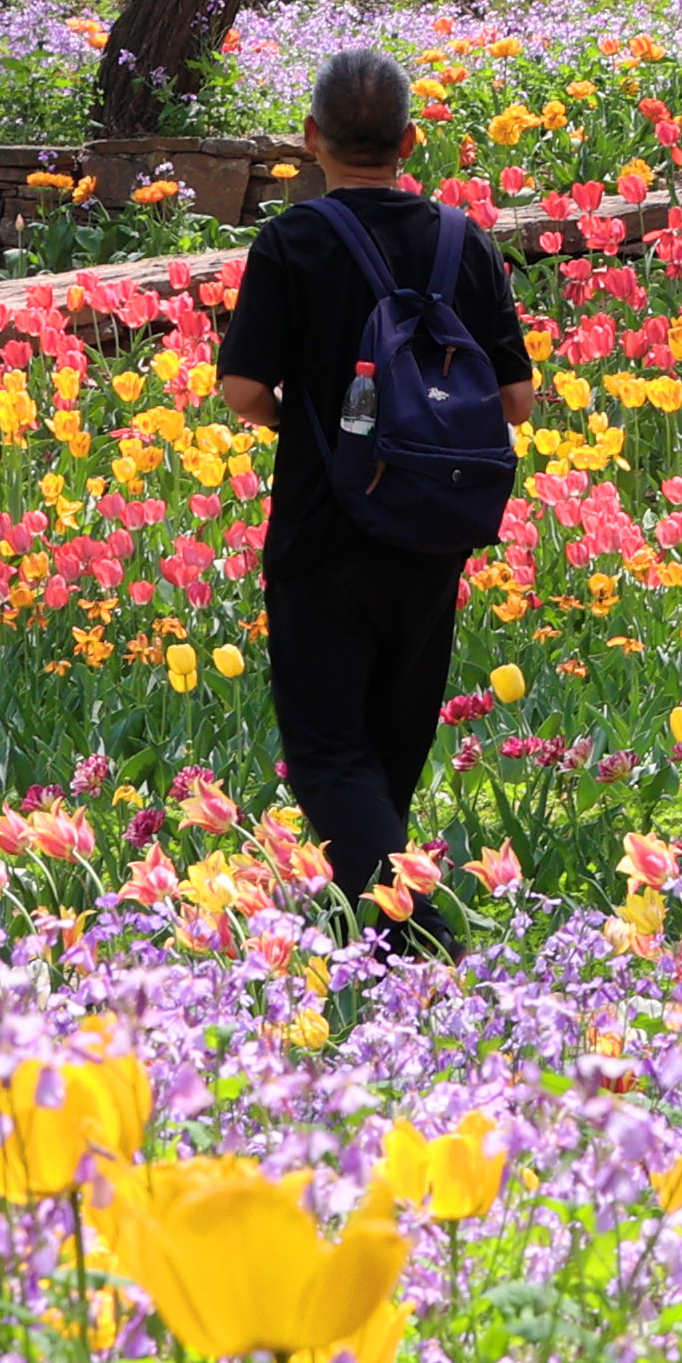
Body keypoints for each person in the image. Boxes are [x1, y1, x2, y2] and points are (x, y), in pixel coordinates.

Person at [212, 51, 539, 936]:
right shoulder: (462, 241)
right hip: (433, 529)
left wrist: (313, 428)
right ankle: (374, 948)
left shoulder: (292, 242)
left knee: (327, 756)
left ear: (311, 136)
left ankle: (422, 933)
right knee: (391, 748)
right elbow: (515, 401)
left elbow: (242, 389)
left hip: (322, 528)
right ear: (409, 141)